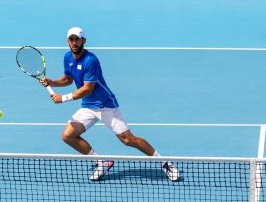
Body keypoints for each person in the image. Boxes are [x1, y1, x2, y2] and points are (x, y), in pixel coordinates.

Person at [41, 27, 180, 182]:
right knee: (68, 136)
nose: (74, 42)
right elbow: (68, 79)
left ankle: (165, 163)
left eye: (77, 39)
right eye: (71, 39)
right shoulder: (68, 57)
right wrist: (52, 82)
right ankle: (102, 162)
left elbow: (87, 89)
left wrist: (63, 98)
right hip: (88, 106)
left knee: (128, 140)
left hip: (106, 105)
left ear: (83, 40)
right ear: (68, 41)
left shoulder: (90, 60)